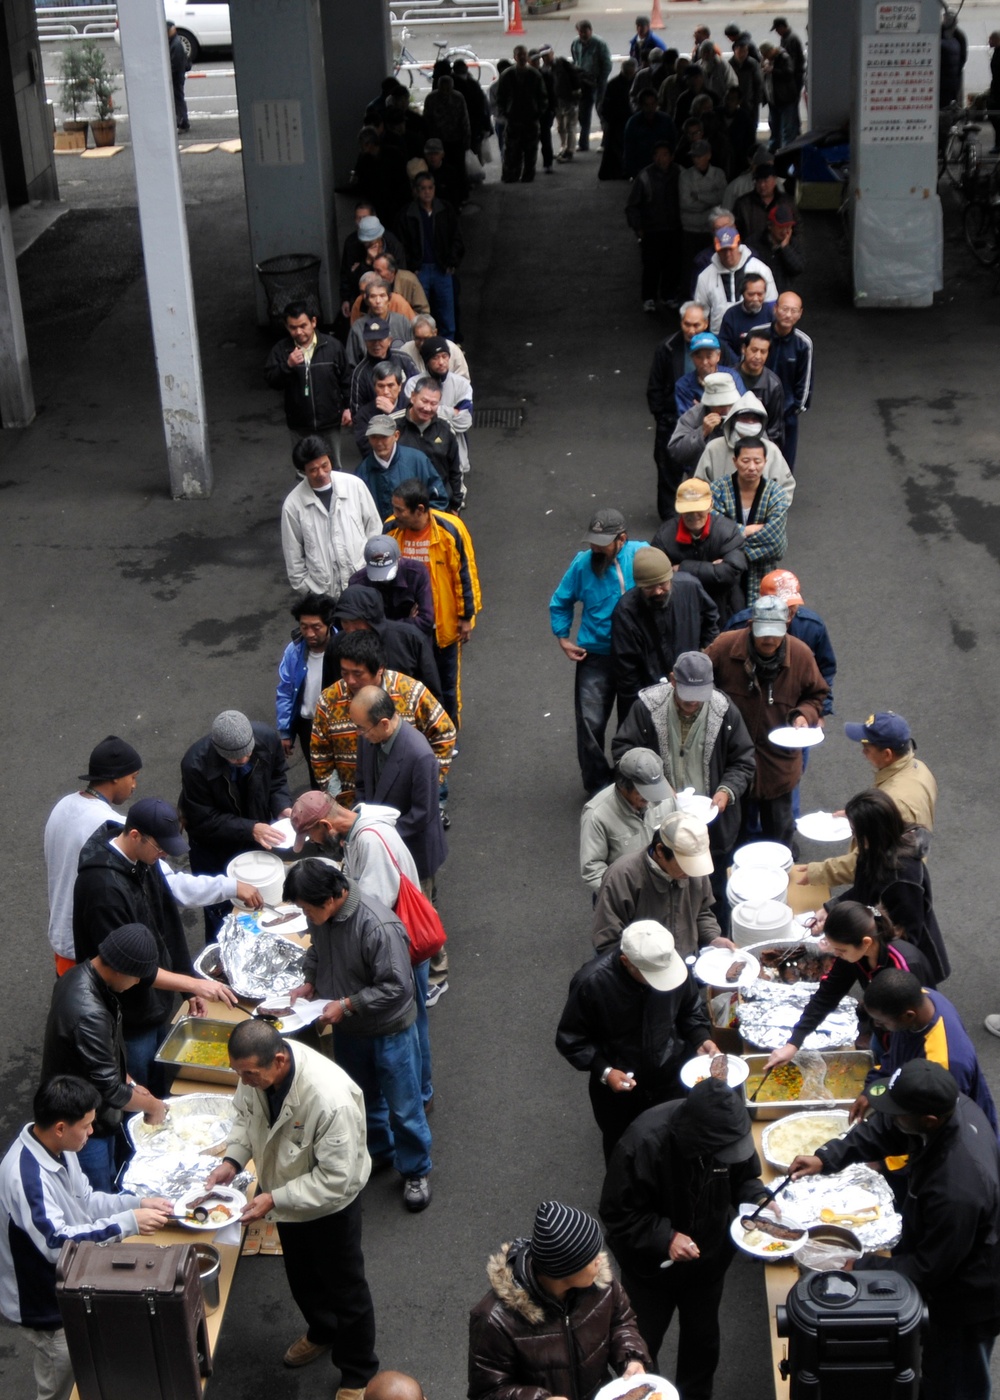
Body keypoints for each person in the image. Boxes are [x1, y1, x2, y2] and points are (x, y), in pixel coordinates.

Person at [788, 1059, 1000, 1400]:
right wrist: (827, 1157)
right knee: (928, 1363)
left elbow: (932, 1266)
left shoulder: (956, 1188)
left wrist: (868, 1267)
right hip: (948, 1249)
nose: (889, 1115)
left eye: (898, 1110)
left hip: (969, 1293)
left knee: (955, 1380)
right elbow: (887, 1128)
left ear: (927, 1121)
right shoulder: (947, 1105)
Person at [205, 1021, 379, 1383]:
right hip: (281, 1197)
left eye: (249, 1074)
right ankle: (322, 1330)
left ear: (279, 1060)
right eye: (239, 1072)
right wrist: (232, 1160)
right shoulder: (252, 1073)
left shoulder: (330, 1099)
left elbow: (336, 1179)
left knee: (345, 1288)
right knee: (301, 1275)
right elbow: (244, 1117)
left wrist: (274, 1198)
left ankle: (358, 1373)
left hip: (331, 1206)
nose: (244, 1080)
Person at [0, 1075, 173, 1400]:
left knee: (88, 1369)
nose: (92, 1132)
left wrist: (136, 1204)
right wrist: (128, 1223)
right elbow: (56, 1244)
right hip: (44, 1304)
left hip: (72, 1284)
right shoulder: (26, 1178)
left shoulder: (59, 1147)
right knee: (59, 1387)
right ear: (61, 1127)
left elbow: (86, 1202)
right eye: (87, 1125)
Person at [601, 1079, 770, 1394]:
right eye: (722, 1152)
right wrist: (666, 1237)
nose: (728, 1156)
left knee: (702, 1346)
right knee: (639, 1349)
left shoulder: (729, 1133)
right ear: (701, 1138)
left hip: (708, 1262)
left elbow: (745, 1177)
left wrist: (758, 1199)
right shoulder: (642, 1143)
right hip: (650, 1272)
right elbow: (616, 1215)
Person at [281, 862, 432, 1212]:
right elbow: (318, 951)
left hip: (389, 1030)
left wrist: (347, 1005)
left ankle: (415, 1171)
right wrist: (310, 980)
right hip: (350, 1029)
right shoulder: (321, 915)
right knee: (362, 1100)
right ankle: (380, 1152)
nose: (305, 915)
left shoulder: (376, 925)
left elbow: (398, 986)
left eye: (307, 909)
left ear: (333, 898)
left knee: (404, 1106)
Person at [72, 797, 242, 1086]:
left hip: (155, 999)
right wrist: (195, 984)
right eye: (160, 848)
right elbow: (127, 969)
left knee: (163, 1076)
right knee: (138, 1086)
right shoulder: (102, 890)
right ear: (135, 835)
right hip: (127, 1012)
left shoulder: (144, 859)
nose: (163, 856)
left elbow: (169, 928)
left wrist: (188, 987)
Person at [289, 791, 436, 1090]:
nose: (316, 844)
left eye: (314, 836)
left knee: (410, 1022)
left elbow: (370, 906)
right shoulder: (357, 830)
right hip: (389, 945)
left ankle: (421, 1091)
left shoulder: (368, 840)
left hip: (400, 946)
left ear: (327, 826)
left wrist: (345, 1000)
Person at [611, 652, 756, 926]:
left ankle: (712, 940)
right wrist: (653, 784)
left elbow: (744, 759)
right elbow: (623, 752)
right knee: (661, 885)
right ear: (673, 680)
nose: (692, 702)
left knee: (712, 890)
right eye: (687, 692)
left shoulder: (724, 710)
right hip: (658, 819)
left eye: (700, 694)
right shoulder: (646, 707)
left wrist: (726, 790)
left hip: (712, 824)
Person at [557, 921, 719, 1161]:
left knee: (673, 1147)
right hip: (620, 1094)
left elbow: (689, 1010)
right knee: (625, 1155)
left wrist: (699, 1037)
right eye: (651, 976)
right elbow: (572, 1040)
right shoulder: (591, 983)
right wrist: (605, 1071)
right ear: (626, 962)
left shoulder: (671, 963)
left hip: (671, 1078)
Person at [469, 1199, 650, 1400]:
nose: (600, 1259)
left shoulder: (601, 1283)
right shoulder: (494, 1320)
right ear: (565, 1270)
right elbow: (487, 1393)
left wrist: (631, 1357)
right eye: (590, 1257)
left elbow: (621, 1322)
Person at [40, 925, 167, 1191]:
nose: (135, 985)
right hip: (83, 1122)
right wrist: (152, 1106)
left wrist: (129, 1081)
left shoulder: (77, 975)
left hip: (89, 1107)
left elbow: (99, 1058)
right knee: (96, 1195)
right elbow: (110, 1090)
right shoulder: (90, 1014)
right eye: (136, 978)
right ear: (120, 969)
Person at [705, 596, 828, 847]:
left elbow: (816, 695)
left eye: (776, 633)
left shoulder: (802, 656)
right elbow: (698, 679)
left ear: (787, 624)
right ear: (750, 624)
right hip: (734, 765)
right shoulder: (724, 647)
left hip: (779, 767)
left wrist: (804, 715)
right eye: (763, 633)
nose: (769, 640)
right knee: (732, 840)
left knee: (779, 840)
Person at [763, 901, 937, 1073]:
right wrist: (794, 1042)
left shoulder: (905, 966)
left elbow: (914, 1025)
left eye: (841, 950)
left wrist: (890, 1067)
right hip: (882, 1028)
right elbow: (827, 995)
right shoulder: (853, 955)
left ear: (866, 942)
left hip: (909, 1040)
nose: (836, 955)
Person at [550, 509, 650, 798]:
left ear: (622, 539)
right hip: (596, 655)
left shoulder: (642, 554)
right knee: (590, 723)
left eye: (602, 541)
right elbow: (561, 600)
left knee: (634, 721)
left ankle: (630, 779)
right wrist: (562, 637)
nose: (595, 547)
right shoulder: (582, 564)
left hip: (634, 653)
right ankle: (597, 785)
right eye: (592, 540)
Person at [815, 789, 950, 984]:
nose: (854, 839)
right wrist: (831, 907)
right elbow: (864, 893)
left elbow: (904, 933)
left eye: (856, 832)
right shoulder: (874, 848)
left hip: (904, 965)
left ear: (872, 831)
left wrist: (851, 937)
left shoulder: (902, 878)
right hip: (874, 949)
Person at [179, 710, 293, 938]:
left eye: (248, 753)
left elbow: (277, 778)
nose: (244, 760)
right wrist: (250, 828)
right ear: (219, 751)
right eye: (235, 758)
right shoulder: (195, 765)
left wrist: (282, 806)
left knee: (263, 902)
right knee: (221, 913)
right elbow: (204, 820)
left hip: (255, 838)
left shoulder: (267, 739)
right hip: (214, 850)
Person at [796, 710, 936, 893]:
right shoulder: (918, 769)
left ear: (887, 754)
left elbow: (868, 863)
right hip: (909, 872)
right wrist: (861, 815)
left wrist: (818, 872)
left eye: (867, 748)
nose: (863, 752)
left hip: (890, 889)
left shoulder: (895, 801)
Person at [309, 631, 454, 806]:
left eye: (357, 673)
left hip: (408, 800)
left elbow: (444, 733)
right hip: (356, 803)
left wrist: (429, 783)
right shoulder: (328, 700)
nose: (350, 681)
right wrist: (338, 796)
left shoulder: (411, 693)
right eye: (344, 672)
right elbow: (319, 754)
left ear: (379, 669)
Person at [385, 479, 481, 725]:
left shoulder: (451, 529)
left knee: (446, 685)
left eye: (399, 510)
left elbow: (465, 575)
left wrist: (466, 617)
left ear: (419, 510)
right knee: (410, 684)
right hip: (406, 627)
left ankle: (448, 732)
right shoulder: (390, 529)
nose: (394, 515)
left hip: (442, 627)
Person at [44, 736, 142, 976]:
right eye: (133, 777)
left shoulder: (64, 805)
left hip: (61, 936)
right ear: (116, 777)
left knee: (69, 1000)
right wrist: (228, 886)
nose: (134, 786)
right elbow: (167, 882)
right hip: (88, 945)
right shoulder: (112, 826)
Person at [857, 971, 999, 1136]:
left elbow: (942, 1131)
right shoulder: (922, 998)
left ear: (908, 1016)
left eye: (882, 1021)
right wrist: (872, 1089)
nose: (877, 1025)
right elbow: (894, 1058)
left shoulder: (944, 1063)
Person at [351, 686, 447, 895]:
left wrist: (377, 835)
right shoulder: (368, 737)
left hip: (412, 853)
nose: (359, 733)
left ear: (384, 724)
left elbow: (421, 815)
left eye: (362, 728)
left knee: (415, 918)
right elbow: (361, 785)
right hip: (379, 844)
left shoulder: (420, 755)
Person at [646, 304, 740, 516]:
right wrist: (663, 416)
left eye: (696, 324)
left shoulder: (723, 353)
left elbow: (737, 387)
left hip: (713, 430)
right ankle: (670, 521)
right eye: (686, 324)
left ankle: (700, 516)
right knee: (669, 474)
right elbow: (656, 387)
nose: (691, 329)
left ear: (706, 323)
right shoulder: (668, 347)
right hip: (672, 422)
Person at [592, 811, 725, 955]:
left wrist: (712, 938)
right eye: (684, 865)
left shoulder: (695, 870)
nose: (690, 873)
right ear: (660, 850)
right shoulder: (621, 876)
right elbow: (607, 940)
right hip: (642, 971)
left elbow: (702, 911)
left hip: (686, 962)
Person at [610, 546, 718, 716]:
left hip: (692, 682)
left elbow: (711, 619)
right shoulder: (625, 612)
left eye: (662, 584)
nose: (658, 591)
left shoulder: (690, 587)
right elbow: (626, 672)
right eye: (649, 587)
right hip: (649, 690)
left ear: (671, 577)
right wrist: (643, 708)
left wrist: (707, 652)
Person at [281, 435, 381, 599]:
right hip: (323, 597)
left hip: (363, 586)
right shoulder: (293, 505)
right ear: (302, 471)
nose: (321, 473)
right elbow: (293, 559)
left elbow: (374, 530)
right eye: (313, 470)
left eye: (325, 465)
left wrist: (371, 574)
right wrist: (311, 593)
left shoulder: (354, 485)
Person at [580, 749, 676, 897]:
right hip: (624, 897)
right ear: (623, 785)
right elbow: (592, 868)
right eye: (644, 792)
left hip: (663, 890)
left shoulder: (664, 798)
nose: (651, 798)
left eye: (655, 789)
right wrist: (623, 895)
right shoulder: (597, 815)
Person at [266, 303, 351, 464]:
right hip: (299, 424)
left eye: (303, 326)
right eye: (293, 327)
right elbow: (271, 380)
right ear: (286, 326)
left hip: (330, 421)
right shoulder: (281, 350)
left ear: (313, 322)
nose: (298, 332)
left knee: (333, 467)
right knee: (303, 469)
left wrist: (348, 408)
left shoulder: (332, 347)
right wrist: (288, 365)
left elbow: (346, 378)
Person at [652, 475, 747, 619]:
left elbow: (731, 572)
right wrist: (713, 569)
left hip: (725, 610)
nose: (693, 515)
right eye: (688, 509)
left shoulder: (728, 530)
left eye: (699, 508)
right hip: (681, 611)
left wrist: (682, 568)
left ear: (710, 505)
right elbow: (656, 577)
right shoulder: (664, 536)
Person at [709, 436, 788, 603]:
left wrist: (731, 555)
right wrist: (743, 530)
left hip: (761, 573)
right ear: (735, 461)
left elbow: (776, 545)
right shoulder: (717, 489)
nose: (752, 467)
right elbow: (714, 530)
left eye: (757, 461)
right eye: (745, 461)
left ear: (765, 462)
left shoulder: (776, 494)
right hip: (724, 577)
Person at [333, 583, 441, 696]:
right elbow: (331, 694)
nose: (351, 630)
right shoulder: (336, 644)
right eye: (345, 622)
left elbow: (432, 692)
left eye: (356, 623)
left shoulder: (410, 639)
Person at [276, 593, 339, 784]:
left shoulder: (343, 647)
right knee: (317, 777)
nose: (310, 633)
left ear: (329, 624)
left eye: (316, 627)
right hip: (308, 727)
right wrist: (285, 731)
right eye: (304, 627)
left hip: (337, 726)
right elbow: (285, 691)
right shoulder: (293, 651)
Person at [694, 391, 795, 505]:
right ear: (733, 420)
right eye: (745, 418)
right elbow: (699, 486)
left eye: (755, 419)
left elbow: (786, 487)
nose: (750, 422)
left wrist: (770, 514)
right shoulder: (714, 448)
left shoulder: (772, 451)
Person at [397, 172, 463, 340]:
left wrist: (452, 262)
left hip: (442, 268)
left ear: (435, 189)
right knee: (421, 315)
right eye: (423, 188)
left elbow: (456, 237)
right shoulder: (407, 213)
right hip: (420, 270)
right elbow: (402, 244)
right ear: (416, 191)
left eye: (430, 188)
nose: (427, 192)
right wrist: (412, 267)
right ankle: (424, 349)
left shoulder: (445, 209)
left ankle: (449, 351)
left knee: (447, 315)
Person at [753, 292, 812, 470]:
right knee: (753, 464)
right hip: (754, 415)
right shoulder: (757, 334)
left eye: (794, 311)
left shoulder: (803, 343)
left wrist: (791, 409)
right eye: (785, 309)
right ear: (775, 308)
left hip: (786, 417)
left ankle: (781, 499)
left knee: (783, 468)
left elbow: (805, 383)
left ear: (800, 314)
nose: (788, 315)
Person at [355, 414, 448, 521]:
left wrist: (420, 524)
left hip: (415, 532)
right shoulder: (362, 471)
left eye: (384, 437)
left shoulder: (418, 461)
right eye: (374, 437)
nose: (379, 443)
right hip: (381, 534)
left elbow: (439, 499)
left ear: (396, 436)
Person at [402, 338, 473, 477]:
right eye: (435, 357)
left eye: (444, 356)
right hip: (420, 453)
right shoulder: (413, 384)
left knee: (455, 495)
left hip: (454, 455)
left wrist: (431, 412)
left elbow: (465, 421)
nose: (441, 362)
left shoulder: (462, 385)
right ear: (426, 360)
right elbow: (414, 417)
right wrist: (451, 411)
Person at [394, 378, 464, 514]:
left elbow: (455, 470)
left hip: (440, 504)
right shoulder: (394, 425)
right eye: (424, 401)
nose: (427, 408)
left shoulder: (446, 428)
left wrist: (456, 503)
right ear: (413, 397)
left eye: (433, 403)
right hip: (405, 507)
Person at [663, 373, 747, 486]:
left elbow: (764, 448)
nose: (726, 409)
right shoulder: (694, 415)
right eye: (721, 405)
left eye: (730, 404)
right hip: (703, 484)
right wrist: (702, 432)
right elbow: (676, 451)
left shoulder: (747, 414)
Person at [693, 227, 777, 334]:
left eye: (731, 248)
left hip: (756, 338)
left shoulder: (761, 270)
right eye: (723, 250)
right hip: (719, 337)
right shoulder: (705, 276)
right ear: (716, 249)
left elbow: (771, 306)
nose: (728, 254)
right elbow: (699, 314)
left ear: (738, 245)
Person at [348, 534, 435, 636]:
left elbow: (426, 621)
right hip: (375, 646)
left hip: (412, 643)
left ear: (399, 558)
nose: (383, 580)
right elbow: (357, 627)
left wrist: (378, 627)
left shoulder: (417, 573)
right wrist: (407, 623)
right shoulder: (357, 582)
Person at [340, 207, 407, 319]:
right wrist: (367, 262)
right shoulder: (352, 244)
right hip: (364, 300)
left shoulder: (393, 244)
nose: (368, 244)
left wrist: (377, 262)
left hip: (392, 295)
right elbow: (348, 276)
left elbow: (399, 273)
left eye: (371, 241)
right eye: (365, 242)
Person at [496, 45, 548, 184]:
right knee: (511, 151)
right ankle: (510, 176)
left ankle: (528, 176)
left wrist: (539, 113)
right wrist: (504, 113)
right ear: (515, 57)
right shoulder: (507, 75)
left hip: (530, 118)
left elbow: (542, 96)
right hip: (513, 119)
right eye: (520, 55)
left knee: (530, 151)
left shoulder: (534, 75)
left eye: (524, 54)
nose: (523, 57)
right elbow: (500, 97)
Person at [678, 143, 728, 284]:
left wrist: (699, 196)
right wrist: (710, 201)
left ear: (708, 156)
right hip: (690, 228)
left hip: (711, 229)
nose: (696, 160)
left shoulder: (718, 174)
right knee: (689, 266)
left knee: (712, 265)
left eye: (699, 156)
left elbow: (722, 198)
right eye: (694, 156)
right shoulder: (685, 176)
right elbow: (686, 204)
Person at [421, 74, 471, 203]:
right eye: (443, 88)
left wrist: (466, 138)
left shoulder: (457, 98)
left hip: (455, 140)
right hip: (439, 141)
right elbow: (427, 120)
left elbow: (464, 120)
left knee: (459, 169)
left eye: (447, 88)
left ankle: (460, 195)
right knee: (440, 169)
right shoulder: (432, 98)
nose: (445, 91)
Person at [345, 277, 414, 370]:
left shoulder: (402, 321)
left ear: (389, 299)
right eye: (373, 296)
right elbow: (351, 364)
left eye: (382, 296)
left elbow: (412, 355)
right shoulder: (358, 327)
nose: (378, 301)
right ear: (367, 301)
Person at [733, 325, 785, 444]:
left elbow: (775, 429)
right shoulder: (729, 378)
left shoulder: (773, 385)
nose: (758, 356)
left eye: (763, 352)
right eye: (754, 350)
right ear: (744, 349)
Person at [673, 331, 745, 417]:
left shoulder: (732, 377)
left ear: (718, 356)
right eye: (699, 357)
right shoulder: (683, 385)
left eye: (709, 356)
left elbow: (743, 407)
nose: (704, 362)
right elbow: (687, 421)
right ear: (692, 358)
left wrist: (701, 410)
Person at [571, 21, 613, 154]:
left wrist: (601, 81)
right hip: (584, 84)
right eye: (580, 31)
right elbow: (575, 59)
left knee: (602, 113)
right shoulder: (576, 43)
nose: (583, 34)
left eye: (585, 31)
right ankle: (583, 143)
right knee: (583, 115)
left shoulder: (599, 43)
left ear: (591, 30)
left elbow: (607, 64)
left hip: (598, 83)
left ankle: (606, 142)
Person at [717, 272, 777, 361]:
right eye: (751, 294)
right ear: (742, 293)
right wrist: (738, 363)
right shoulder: (731, 314)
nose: (755, 299)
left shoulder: (771, 313)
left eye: (760, 294)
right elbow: (724, 344)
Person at [623, 91, 678, 181]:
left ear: (657, 104)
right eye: (646, 105)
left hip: (664, 164)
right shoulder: (633, 123)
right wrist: (632, 171)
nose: (650, 108)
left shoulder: (666, 120)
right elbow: (629, 149)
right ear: (641, 105)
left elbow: (673, 142)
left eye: (652, 104)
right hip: (642, 165)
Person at [400, 312, 471, 381]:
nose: (422, 343)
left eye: (426, 339)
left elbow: (464, 381)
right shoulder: (406, 351)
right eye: (418, 339)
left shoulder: (452, 349)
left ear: (435, 333)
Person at [761, 30, 801, 151]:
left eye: (766, 54)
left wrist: (772, 70)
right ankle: (774, 151)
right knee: (774, 128)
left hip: (785, 99)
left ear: (772, 50)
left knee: (787, 130)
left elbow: (789, 73)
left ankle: (787, 152)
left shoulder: (783, 57)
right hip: (774, 100)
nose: (765, 57)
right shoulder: (766, 60)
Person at [598, 58, 635, 179]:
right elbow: (606, 106)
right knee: (616, 149)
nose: (630, 76)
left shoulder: (614, 84)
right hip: (617, 121)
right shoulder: (615, 84)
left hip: (624, 120)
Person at [370, 252, 429, 318]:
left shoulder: (409, 281)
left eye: (378, 271)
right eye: (374, 270)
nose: (374, 275)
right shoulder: (371, 282)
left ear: (392, 272)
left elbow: (424, 312)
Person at [762, 203, 804, 293]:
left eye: (788, 226)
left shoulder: (793, 243)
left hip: (784, 295)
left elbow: (798, 268)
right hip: (762, 294)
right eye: (781, 227)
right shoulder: (756, 242)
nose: (785, 231)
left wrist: (785, 247)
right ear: (770, 226)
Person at [729, 34, 764, 136]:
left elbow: (758, 84)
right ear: (735, 51)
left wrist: (757, 100)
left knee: (751, 126)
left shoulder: (752, 64)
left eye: (745, 51)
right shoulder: (730, 64)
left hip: (750, 102)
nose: (742, 54)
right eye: (740, 51)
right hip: (734, 102)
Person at [167, 21, 190, 132]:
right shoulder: (174, 41)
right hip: (178, 75)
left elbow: (175, 64)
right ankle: (182, 121)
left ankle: (183, 123)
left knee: (178, 99)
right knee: (178, 98)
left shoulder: (175, 44)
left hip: (176, 76)